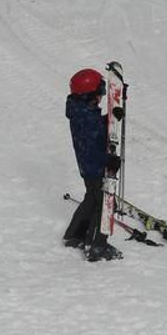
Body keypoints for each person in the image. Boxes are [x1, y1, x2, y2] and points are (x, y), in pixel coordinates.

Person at [63, 68, 122, 262]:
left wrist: (111, 117)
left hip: (88, 167)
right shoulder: (85, 117)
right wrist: (109, 160)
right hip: (93, 166)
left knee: (92, 199)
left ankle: (75, 235)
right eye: (100, 93)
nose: (101, 97)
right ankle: (96, 245)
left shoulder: (83, 111)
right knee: (103, 203)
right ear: (89, 94)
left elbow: (97, 128)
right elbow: (91, 147)